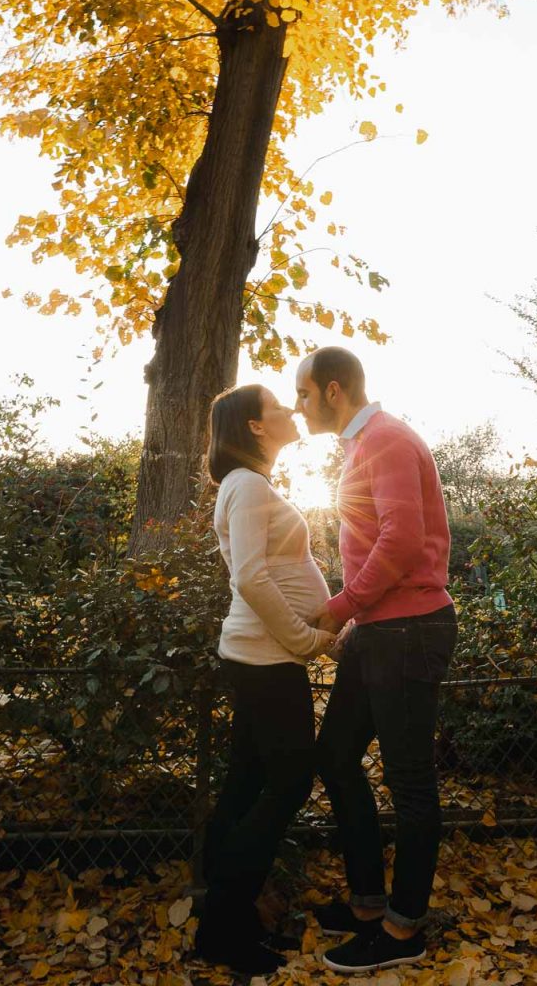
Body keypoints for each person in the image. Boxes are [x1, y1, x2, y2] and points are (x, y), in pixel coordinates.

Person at [295, 347, 458, 974]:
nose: (300, 406)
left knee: (411, 784)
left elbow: (401, 540)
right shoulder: (362, 448)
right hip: (379, 627)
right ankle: (367, 905)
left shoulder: (386, 440)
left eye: (305, 394)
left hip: (409, 628)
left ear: (334, 390)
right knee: (334, 757)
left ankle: (402, 928)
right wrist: (357, 618)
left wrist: (342, 608)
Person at [194, 384, 336, 975]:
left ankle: (225, 923)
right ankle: (225, 927)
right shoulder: (248, 486)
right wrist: (306, 641)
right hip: (268, 658)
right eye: (278, 405)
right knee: (287, 784)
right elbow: (251, 579)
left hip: (259, 656)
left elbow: (262, 569)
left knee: (249, 784)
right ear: (254, 426)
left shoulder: (247, 485)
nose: (290, 411)